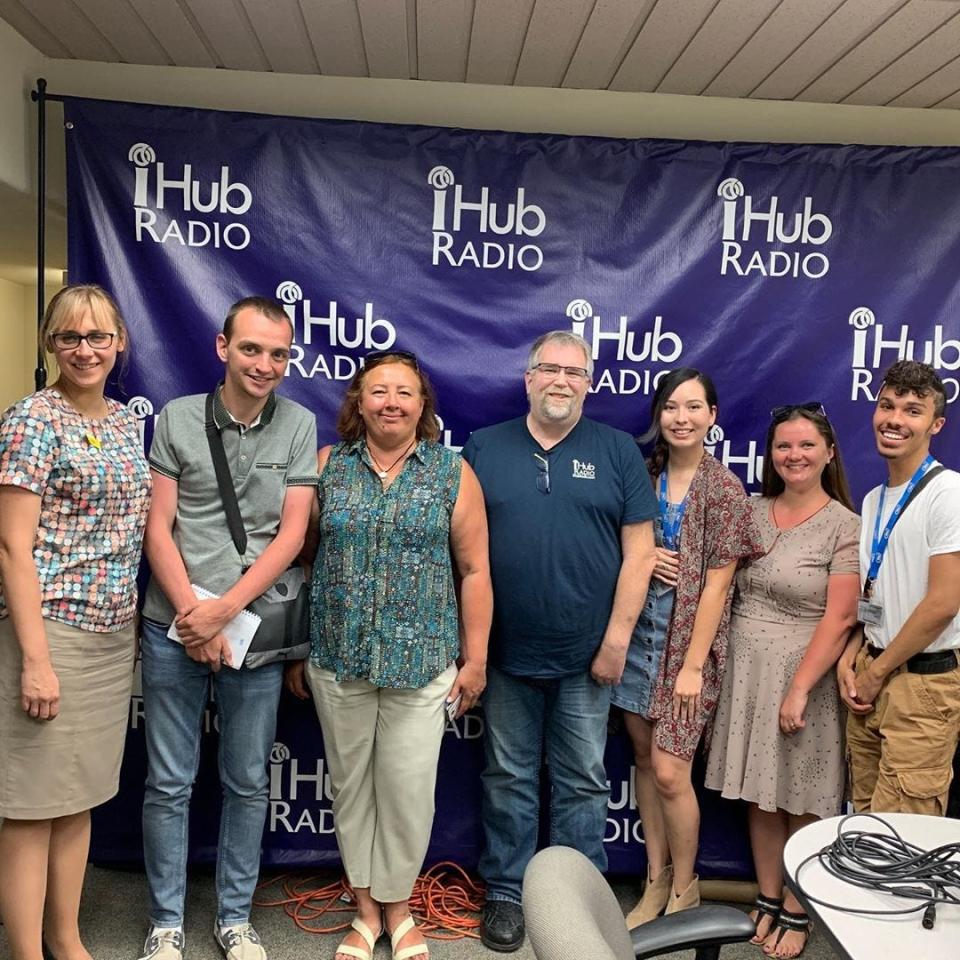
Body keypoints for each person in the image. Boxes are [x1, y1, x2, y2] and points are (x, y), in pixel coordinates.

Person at [284, 349, 491, 960]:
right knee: (350, 790)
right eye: (379, 392)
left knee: (405, 792)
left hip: (421, 664)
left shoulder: (452, 474)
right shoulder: (328, 467)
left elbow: (475, 570)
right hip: (337, 659)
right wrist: (299, 649)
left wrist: (474, 660)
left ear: (422, 405)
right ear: (358, 403)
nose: (392, 402)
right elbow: (305, 559)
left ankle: (399, 909)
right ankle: (365, 913)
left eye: (404, 392)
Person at [461, 330, 658, 953]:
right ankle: (506, 893)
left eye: (575, 372)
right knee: (508, 776)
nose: (561, 381)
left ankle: (577, 901)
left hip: (587, 654)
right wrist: (473, 648)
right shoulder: (484, 448)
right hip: (505, 654)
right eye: (549, 369)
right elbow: (462, 556)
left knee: (581, 779)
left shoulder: (619, 450)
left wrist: (617, 641)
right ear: (528, 378)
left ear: (590, 382)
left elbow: (640, 554)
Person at [138, 296, 318, 960]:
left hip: (255, 633)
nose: (265, 364)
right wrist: (193, 614)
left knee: (247, 780)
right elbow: (159, 524)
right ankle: (165, 922)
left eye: (278, 353)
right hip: (171, 627)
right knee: (169, 781)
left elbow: (292, 532)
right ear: (222, 348)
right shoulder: (177, 418)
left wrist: (223, 611)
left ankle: (234, 918)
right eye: (251, 349)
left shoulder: (298, 423)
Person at [0, 284, 151, 960]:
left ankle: (65, 937)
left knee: (78, 796)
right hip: (49, 631)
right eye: (70, 337)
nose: (84, 349)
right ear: (51, 344)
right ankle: (28, 951)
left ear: (119, 343)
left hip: (111, 637)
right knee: (30, 807)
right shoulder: (32, 420)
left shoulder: (123, 421)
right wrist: (35, 659)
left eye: (97, 337)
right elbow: (12, 546)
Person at [706, 403, 859, 959]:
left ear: (829, 453)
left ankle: (799, 906)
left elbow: (841, 617)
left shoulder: (845, 525)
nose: (793, 456)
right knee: (761, 793)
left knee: (803, 794)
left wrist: (799, 687)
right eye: (783, 447)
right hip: (747, 669)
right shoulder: (750, 510)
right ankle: (768, 896)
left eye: (805, 446)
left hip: (805, 674)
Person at [616, 369, 759, 928]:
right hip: (637, 642)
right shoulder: (643, 474)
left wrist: (694, 667)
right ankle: (653, 884)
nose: (681, 417)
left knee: (673, 772)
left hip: (687, 653)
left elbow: (721, 584)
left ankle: (686, 887)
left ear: (712, 417)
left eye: (693, 407)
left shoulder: (723, 489)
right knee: (646, 765)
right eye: (671, 406)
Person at [838, 360, 960, 817]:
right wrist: (854, 656)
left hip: (923, 683)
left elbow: (944, 603)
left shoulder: (949, 493)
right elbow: (877, 595)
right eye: (887, 405)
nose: (895, 419)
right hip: (872, 672)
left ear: (936, 424)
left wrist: (876, 671)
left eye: (912, 410)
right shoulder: (874, 499)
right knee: (867, 826)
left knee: (903, 838)